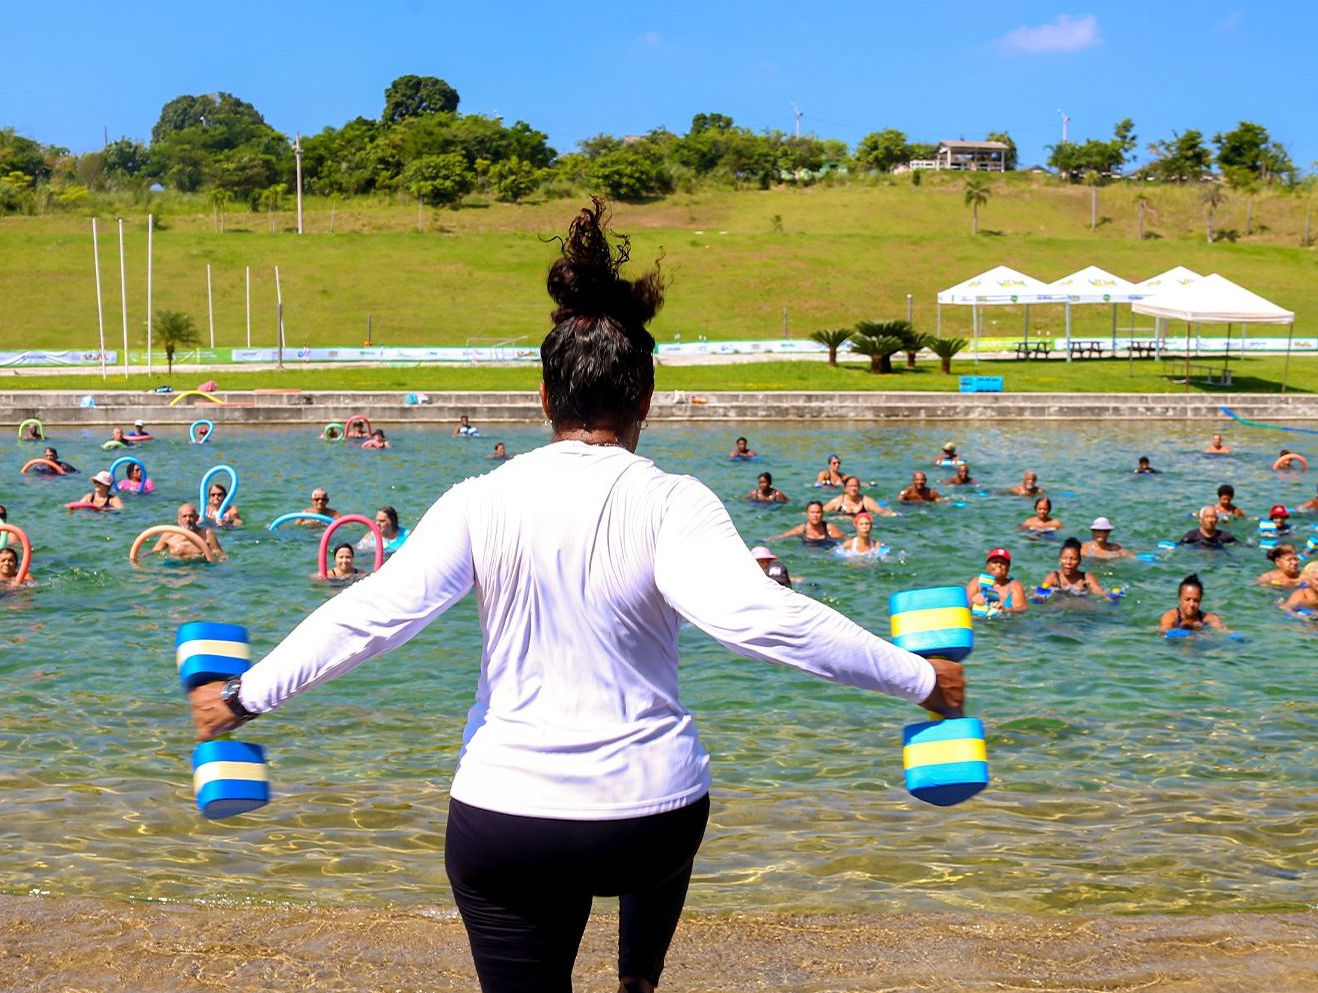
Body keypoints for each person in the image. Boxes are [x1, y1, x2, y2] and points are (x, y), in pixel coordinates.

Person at [188, 199, 964, 993]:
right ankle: (636, 980)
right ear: (645, 399)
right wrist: (921, 679)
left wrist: (242, 698)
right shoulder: (674, 500)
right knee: (673, 775)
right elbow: (763, 619)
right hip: (648, 829)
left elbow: (373, 615)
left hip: (507, 820)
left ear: (542, 395)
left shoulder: (477, 497)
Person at [152, 503, 225, 561]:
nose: (188, 519)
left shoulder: (207, 534)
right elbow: (155, 551)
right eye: (184, 516)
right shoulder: (169, 534)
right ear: (178, 520)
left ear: (197, 518)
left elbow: (218, 553)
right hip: (174, 566)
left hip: (198, 568)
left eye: (191, 516)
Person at [966, 547, 1028, 614]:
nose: (998, 565)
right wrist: (973, 601)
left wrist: (1006, 610)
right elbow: (962, 606)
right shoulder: (976, 583)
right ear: (987, 566)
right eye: (995, 562)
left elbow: (1023, 608)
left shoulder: (1014, 586)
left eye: (1003, 563)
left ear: (1008, 568)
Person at [1159, 574, 1226, 632]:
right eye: (1187, 599)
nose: (1191, 604)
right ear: (1179, 598)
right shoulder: (1170, 617)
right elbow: (1164, 633)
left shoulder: (1208, 618)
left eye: (1195, 600)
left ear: (1200, 600)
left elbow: (1223, 631)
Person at [1038, 538, 1105, 596]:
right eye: (1064, 558)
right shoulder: (1054, 577)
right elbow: (1040, 594)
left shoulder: (1086, 578)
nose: (1068, 562)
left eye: (1073, 559)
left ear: (1079, 560)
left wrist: (1109, 597)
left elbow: (1099, 591)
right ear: (1059, 559)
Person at [772, 500, 846, 545]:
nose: (815, 515)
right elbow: (783, 536)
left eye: (818, 512)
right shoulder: (802, 529)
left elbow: (846, 539)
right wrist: (765, 541)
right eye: (812, 512)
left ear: (822, 514)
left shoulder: (829, 528)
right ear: (807, 514)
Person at [824, 475, 894, 517]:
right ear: (845, 488)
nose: (853, 489)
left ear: (859, 488)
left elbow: (882, 512)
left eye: (856, 486)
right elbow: (821, 511)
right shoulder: (837, 501)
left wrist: (894, 514)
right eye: (850, 486)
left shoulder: (866, 501)